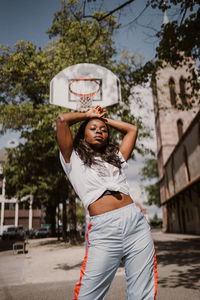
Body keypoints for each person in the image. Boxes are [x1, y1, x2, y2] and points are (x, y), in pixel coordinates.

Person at [56, 106, 157, 300]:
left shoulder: (116, 159)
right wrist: (90, 115)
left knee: (143, 293)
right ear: (83, 134)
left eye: (103, 130)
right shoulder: (72, 158)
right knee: (88, 295)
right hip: (104, 228)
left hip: (135, 224)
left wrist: (104, 120)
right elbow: (62, 120)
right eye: (93, 128)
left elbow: (132, 130)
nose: (99, 131)